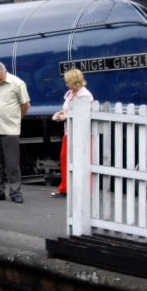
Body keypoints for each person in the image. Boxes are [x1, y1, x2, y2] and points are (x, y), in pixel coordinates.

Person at [0, 61, 31, 203]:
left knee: (12, 163)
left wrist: (16, 118)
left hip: (10, 129)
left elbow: (26, 105)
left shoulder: (17, 83)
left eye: (0, 78)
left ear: (5, 72)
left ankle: (15, 192)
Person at [51, 68, 94, 198]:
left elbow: (84, 114)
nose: (66, 84)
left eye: (68, 82)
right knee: (65, 158)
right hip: (68, 132)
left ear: (75, 82)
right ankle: (65, 188)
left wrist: (66, 116)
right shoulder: (70, 93)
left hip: (82, 133)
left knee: (82, 161)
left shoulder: (85, 95)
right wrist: (59, 113)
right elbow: (67, 108)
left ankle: (84, 189)